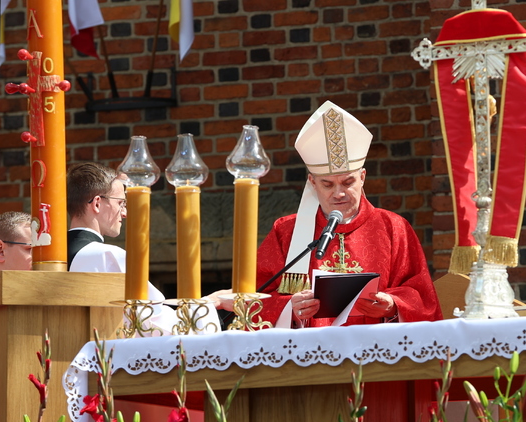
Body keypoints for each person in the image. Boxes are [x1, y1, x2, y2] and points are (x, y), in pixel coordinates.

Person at [256, 101, 442, 328]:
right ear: (312, 182)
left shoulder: (394, 227)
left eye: (348, 182)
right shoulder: (286, 232)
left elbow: (421, 295)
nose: (339, 193)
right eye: (327, 184)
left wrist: (393, 304)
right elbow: (254, 301)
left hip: (378, 351)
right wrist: (290, 307)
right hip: (311, 355)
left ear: (362, 177)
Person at [66, 162, 221, 334]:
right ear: (97, 203)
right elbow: (157, 327)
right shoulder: (107, 256)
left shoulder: (44, 260)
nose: (124, 213)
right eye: (121, 203)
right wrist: (210, 303)